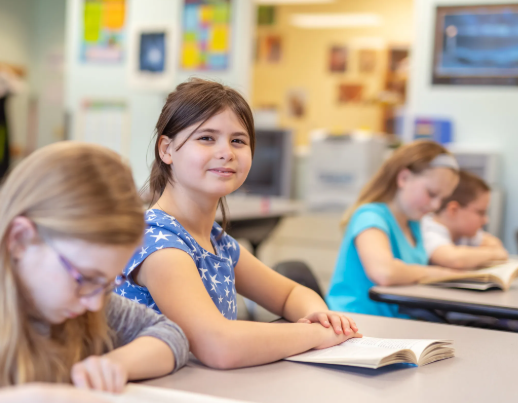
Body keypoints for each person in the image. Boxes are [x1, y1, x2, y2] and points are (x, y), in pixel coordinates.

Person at [0, 142, 189, 402]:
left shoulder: (82, 300)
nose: (95, 302)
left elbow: (170, 334)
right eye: (85, 278)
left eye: (108, 283)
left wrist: (114, 364)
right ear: (21, 239)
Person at [116, 78, 360, 371]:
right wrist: (315, 334)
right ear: (167, 149)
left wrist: (320, 316)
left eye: (238, 141)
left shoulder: (216, 241)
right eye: (206, 138)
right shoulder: (159, 243)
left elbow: (291, 295)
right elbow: (219, 346)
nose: (227, 152)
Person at [326, 140, 460, 318]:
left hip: (395, 321)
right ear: (403, 178)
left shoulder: (414, 223)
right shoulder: (370, 216)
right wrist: (433, 273)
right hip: (356, 321)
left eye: (442, 199)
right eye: (431, 193)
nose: (436, 205)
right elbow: (384, 273)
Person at [422, 170, 508, 270]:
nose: (486, 220)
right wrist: (493, 254)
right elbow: (453, 259)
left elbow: (495, 244)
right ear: (453, 210)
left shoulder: (464, 233)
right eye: (481, 212)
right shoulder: (429, 230)